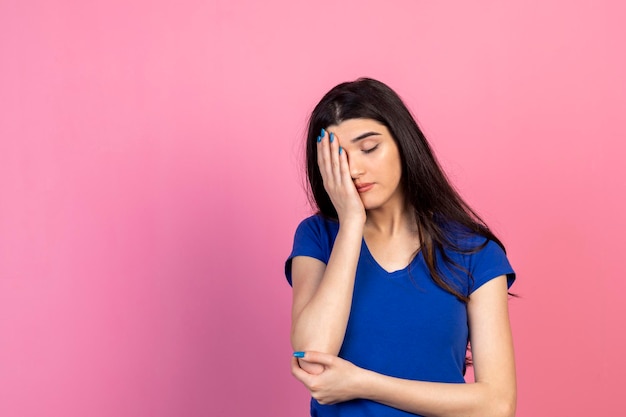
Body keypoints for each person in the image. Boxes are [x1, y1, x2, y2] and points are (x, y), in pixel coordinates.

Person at [284, 78, 516, 417]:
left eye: (369, 148)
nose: (354, 169)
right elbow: (313, 357)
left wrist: (362, 383)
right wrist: (351, 223)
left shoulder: (474, 252)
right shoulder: (318, 237)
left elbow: (498, 404)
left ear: (403, 143)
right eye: (339, 158)